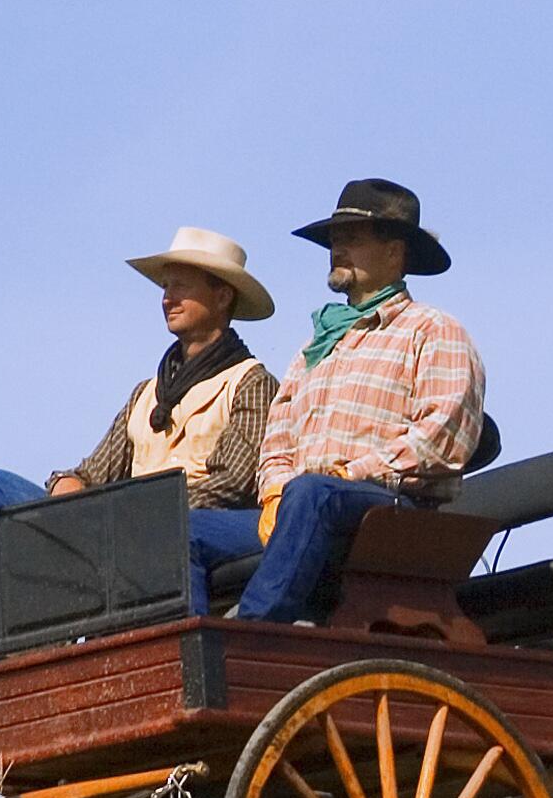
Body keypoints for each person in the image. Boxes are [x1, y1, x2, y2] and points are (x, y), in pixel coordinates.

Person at [189, 176, 485, 623]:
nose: (337, 249)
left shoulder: (433, 330)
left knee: (314, 491)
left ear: (395, 252)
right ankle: (186, 650)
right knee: (181, 531)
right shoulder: (317, 345)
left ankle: (251, 634)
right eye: (334, 240)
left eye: (353, 239)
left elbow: (441, 440)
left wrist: (348, 473)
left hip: (391, 513)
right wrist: (272, 494)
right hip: (303, 506)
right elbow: (278, 437)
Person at [0, 226, 280, 519]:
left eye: (181, 286)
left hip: (176, 524)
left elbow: (233, 484)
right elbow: (94, 473)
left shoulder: (250, 382)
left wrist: (137, 507)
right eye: (166, 287)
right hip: (119, 521)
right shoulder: (145, 393)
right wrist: (66, 483)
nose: (168, 298)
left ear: (222, 296)